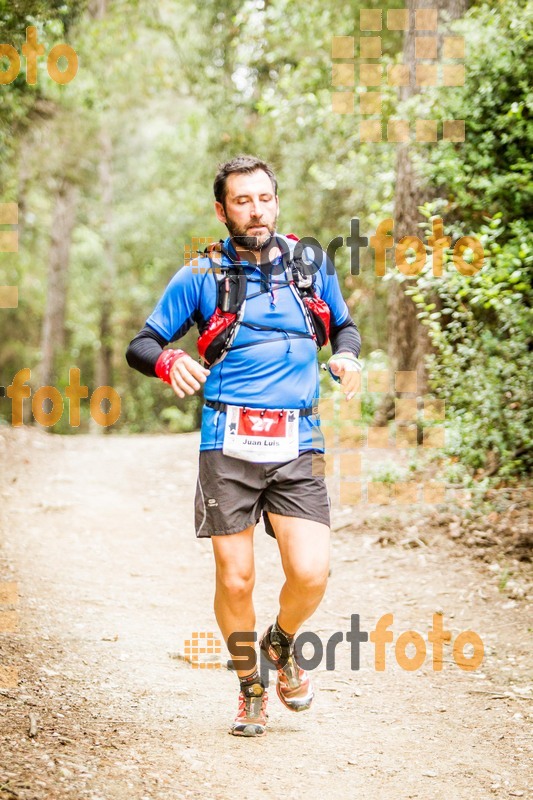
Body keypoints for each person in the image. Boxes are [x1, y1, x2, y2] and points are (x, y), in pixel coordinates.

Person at [126, 155, 361, 737]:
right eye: (242, 201)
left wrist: (349, 354)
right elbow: (143, 342)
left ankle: (278, 645)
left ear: (276, 201)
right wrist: (169, 358)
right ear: (221, 209)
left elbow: (345, 326)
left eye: (264, 199)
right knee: (235, 580)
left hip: (297, 439)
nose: (256, 211)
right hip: (227, 442)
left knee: (311, 573)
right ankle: (249, 685)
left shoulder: (310, 264)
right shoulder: (201, 275)